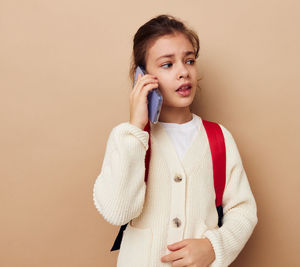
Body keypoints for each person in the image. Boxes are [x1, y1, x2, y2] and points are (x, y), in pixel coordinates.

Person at [92, 14, 258, 267]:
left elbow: (243, 210)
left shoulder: (218, 138)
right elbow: (118, 211)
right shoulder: (128, 138)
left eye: (189, 60)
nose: (183, 72)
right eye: (167, 64)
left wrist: (214, 247)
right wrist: (136, 128)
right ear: (142, 76)